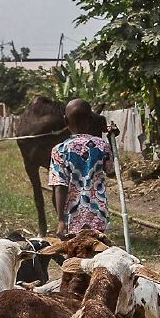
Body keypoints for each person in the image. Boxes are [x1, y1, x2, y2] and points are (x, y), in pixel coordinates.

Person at [47, 98, 114, 237]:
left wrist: (60, 220)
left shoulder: (59, 150)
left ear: (65, 121)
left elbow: (59, 185)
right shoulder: (102, 146)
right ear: (90, 119)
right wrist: (111, 140)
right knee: (97, 253)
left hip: (72, 217)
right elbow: (111, 171)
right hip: (98, 215)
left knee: (75, 255)